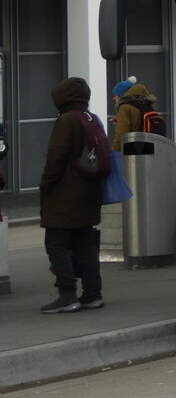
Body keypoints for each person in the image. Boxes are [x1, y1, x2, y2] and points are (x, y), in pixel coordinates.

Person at [39, 77, 103, 313]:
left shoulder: (67, 121)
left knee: (56, 244)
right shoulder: (91, 118)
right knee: (85, 244)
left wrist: (45, 185)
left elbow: (56, 157)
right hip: (89, 192)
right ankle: (93, 293)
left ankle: (67, 294)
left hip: (65, 195)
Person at [112, 76, 156, 151]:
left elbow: (121, 134)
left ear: (121, 96)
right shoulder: (145, 105)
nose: (114, 98)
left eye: (116, 95)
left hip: (132, 152)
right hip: (149, 149)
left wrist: (115, 151)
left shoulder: (125, 108)